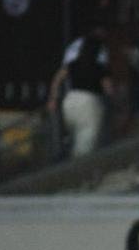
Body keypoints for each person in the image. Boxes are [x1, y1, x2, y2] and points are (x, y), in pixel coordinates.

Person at [47, 22, 112, 157]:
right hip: (90, 103)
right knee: (85, 144)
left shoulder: (73, 64)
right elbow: (108, 88)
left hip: (70, 101)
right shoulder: (99, 68)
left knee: (75, 137)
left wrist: (53, 98)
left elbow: (57, 78)